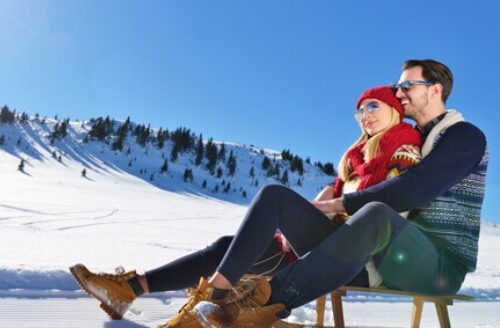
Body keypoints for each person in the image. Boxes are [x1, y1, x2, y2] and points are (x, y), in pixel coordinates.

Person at [69, 85, 422, 327]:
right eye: (359, 110)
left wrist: (332, 205)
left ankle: (217, 295)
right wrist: (327, 198)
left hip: (357, 256)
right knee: (227, 246)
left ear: (394, 109)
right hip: (323, 244)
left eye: (373, 105)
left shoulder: (405, 148)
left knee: (274, 196)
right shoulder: (356, 159)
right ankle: (129, 290)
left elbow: (393, 204)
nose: (364, 115)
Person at [180, 59, 488, 327]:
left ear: (435, 90)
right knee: (276, 196)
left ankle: (261, 305)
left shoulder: (464, 136)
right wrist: (332, 193)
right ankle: (211, 297)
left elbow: (416, 188)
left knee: (377, 214)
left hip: (438, 266)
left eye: (407, 85)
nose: (398, 93)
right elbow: (374, 173)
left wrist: (338, 204)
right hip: (383, 254)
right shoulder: (412, 139)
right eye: (398, 86)